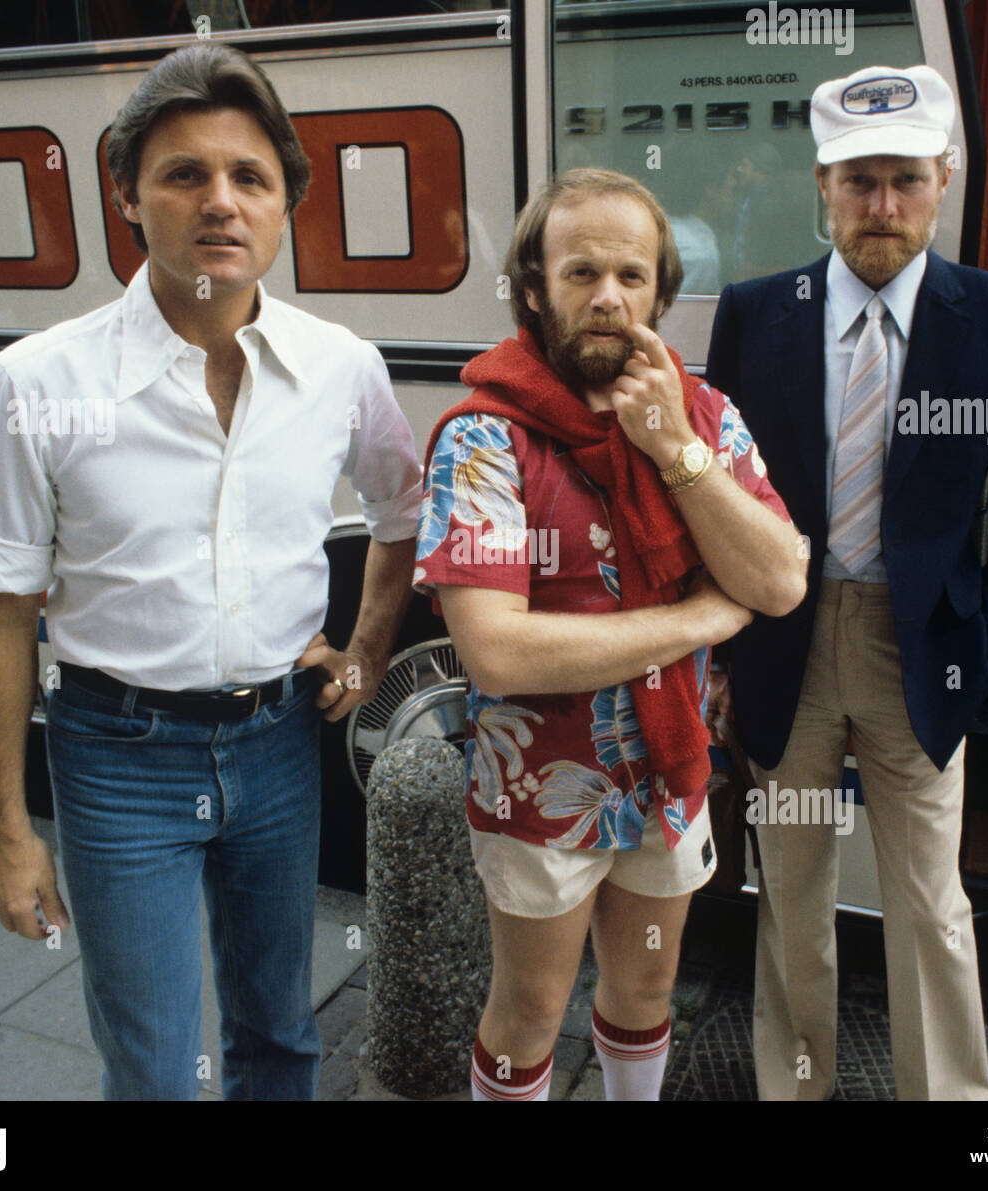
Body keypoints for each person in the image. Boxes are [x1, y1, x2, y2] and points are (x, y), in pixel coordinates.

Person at [0, 44, 422, 1100]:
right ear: (126, 191)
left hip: (278, 745)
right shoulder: (34, 384)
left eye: (249, 177)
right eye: (183, 174)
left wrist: (365, 652)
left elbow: (404, 514)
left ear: (286, 204)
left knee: (279, 1036)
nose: (221, 201)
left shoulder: (340, 368)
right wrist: (5, 829)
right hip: (117, 757)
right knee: (157, 1070)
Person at [705, 64, 988, 1100]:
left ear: (943, 179)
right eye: (858, 179)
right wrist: (726, 651)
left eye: (904, 179)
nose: (881, 205)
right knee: (793, 889)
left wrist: (981, 632)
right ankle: (796, 1086)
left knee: (929, 905)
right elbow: (718, 498)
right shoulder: (755, 313)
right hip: (787, 645)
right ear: (820, 182)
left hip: (928, 651)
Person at [414, 168, 807, 1101]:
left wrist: (674, 450)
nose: (608, 298)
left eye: (632, 275)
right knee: (529, 1009)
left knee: (644, 986)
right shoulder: (484, 436)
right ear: (534, 288)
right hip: (537, 791)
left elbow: (782, 578)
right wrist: (698, 621)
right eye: (581, 271)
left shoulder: (704, 419)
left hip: (666, 780)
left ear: (662, 293)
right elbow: (498, 651)